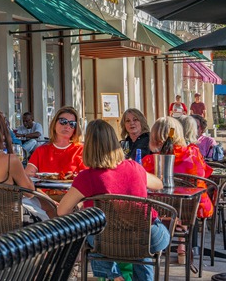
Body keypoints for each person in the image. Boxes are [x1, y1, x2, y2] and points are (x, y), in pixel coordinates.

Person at [57, 119, 168, 281]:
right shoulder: (133, 167)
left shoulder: (86, 177)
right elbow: (158, 184)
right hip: (149, 237)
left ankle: (114, 276)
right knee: (139, 242)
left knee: (92, 231)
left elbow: (62, 211)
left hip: (109, 241)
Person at [142, 117, 213, 263]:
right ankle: (182, 245)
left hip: (160, 210)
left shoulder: (150, 161)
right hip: (192, 208)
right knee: (184, 198)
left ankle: (162, 241)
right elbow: (203, 175)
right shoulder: (193, 154)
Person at [26, 106, 86, 178]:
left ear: (75, 129)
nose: (67, 126)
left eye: (72, 123)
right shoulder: (41, 151)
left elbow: (87, 180)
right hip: (43, 189)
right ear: (54, 124)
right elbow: (28, 176)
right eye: (63, 121)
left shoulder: (82, 150)